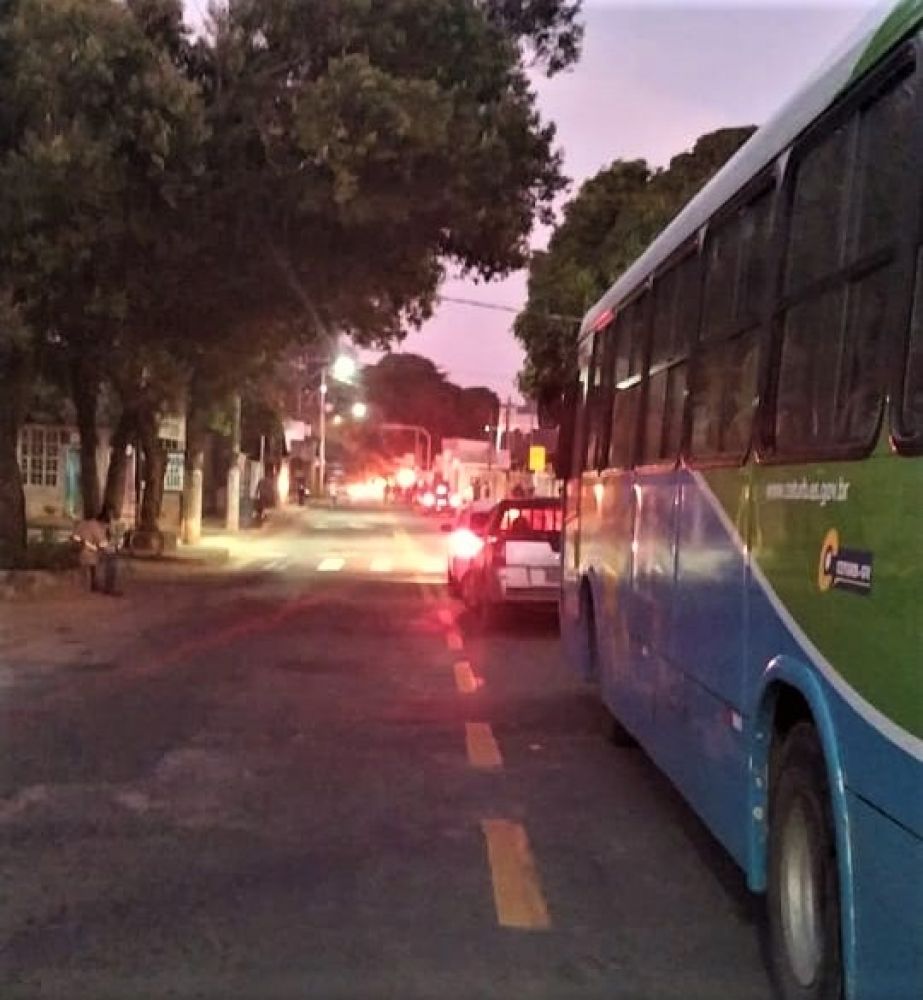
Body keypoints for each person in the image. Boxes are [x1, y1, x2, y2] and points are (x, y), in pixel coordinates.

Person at [72, 508, 119, 595]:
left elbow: (76, 536)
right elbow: (103, 544)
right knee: (112, 559)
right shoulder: (97, 527)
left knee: (106, 555)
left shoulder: (87, 523)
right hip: (87, 553)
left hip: (81, 550)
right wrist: (112, 544)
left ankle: (96, 583)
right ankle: (109, 588)